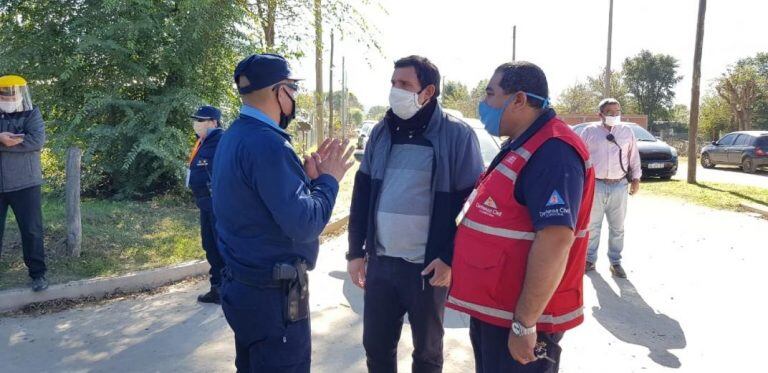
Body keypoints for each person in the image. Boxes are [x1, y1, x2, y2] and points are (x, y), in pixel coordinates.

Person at [447, 61, 595, 373]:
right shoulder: (522, 142)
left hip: (522, 318)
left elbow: (555, 239)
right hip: (498, 309)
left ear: (518, 99)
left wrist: (524, 325)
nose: (484, 104)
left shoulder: (553, 151)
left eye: (490, 94)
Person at [212, 53, 353, 373]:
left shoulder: (233, 136)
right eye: (292, 89)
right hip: (273, 300)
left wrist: (307, 182)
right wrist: (329, 180)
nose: (294, 97)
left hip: (243, 290)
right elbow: (304, 224)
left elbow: (257, 205)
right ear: (279, 91)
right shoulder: (268, 144)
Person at [346, 55, 484, 373]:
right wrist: (356, 253)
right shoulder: (381, 133)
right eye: (393, 83)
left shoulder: (456, 135)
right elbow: (362, 194)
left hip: (427, 270)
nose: (396, 90)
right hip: (381, 265)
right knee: (376, 348)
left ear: (428, 91)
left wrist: (450, 257)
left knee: (428, 353)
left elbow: (472, 206)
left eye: (405, 84)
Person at [578, 98, 641, 279]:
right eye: (610, 112)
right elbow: (580, 157)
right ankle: (590, 260)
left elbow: (634, 157)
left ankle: (615, 262)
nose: (614, 115)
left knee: (617, 227)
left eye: (617, 112)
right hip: (595, 184)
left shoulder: (626, 132)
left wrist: (636, 179)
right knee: (593, 225)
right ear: (600, 114)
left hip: (619, 185)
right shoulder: (589, 132)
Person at [0, 74, 48, 292]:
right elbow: (22, 141)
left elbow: (36, 140)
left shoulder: (32, 112)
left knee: (32, 231)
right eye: (6, 93)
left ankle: (38, 274)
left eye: (15, 92)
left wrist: (4, 141)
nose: (11, 97)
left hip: (26, 183)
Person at [187, 105, 225, 304]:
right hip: (205, 204)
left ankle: (229, 290)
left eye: (201, 120)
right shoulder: (203, 142)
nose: (197, 123)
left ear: (213, 122)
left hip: (217, 204)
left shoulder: (221, 141)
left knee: (221, 247)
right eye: (196, 120)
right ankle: (217, 288)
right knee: (210, 245)